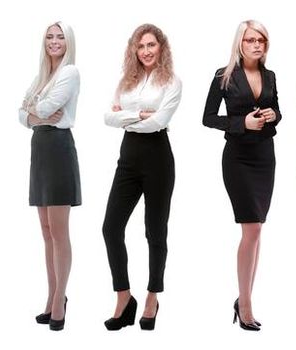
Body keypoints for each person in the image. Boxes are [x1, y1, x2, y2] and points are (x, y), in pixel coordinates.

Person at [101, 23, 181, 332]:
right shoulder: (127, 81)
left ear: (161, 47)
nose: (146, 51)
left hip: (158, 159)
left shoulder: (172, 81)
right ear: (134, 50)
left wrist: (133, 117)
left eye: (151, 45)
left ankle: (152, 297)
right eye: (141, 46)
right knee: (110, 227)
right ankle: (124, 297)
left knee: (155, 231)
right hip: (128, 159)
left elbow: (159, 122)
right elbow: (108, 117)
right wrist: (143, 116)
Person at [201, 20, 279, 332]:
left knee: (257, 230)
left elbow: (277, 112)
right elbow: (207, 118)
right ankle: (244, 303)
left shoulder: (270, 75)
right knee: (251, 230)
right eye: (250, 40)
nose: (256, 45)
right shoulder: (224, 75)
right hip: (237, 159)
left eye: (261, 40)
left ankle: (244, 297)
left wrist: (273, 116)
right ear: (240, 43)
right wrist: (240, 123)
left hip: (265, 157)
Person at [20, 21, 80, 331]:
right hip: (40, 149)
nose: (54, 42)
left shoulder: (69, 72)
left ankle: (60, 300)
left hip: (57, 149)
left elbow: (48, 107)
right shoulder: (42, 76)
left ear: (68, 42)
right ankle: (51, 296)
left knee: (58, 232)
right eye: (49, 37)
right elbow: (23, 113)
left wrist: (34, 109)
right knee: (45, 231)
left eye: (60, 37)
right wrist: (33, 111)